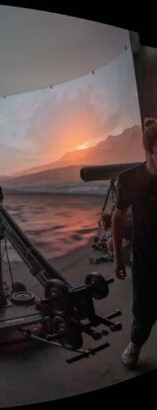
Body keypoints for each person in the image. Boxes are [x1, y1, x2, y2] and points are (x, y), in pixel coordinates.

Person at [113, 118, 157, 368]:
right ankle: (135, 345)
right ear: (149, 149)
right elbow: (118, 217)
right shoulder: (130, 180)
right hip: (145, 256)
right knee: (143, 308)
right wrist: (118, 257)